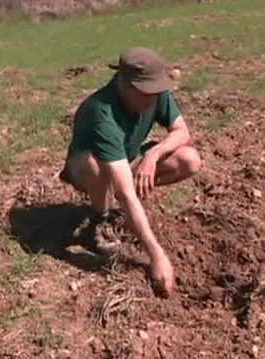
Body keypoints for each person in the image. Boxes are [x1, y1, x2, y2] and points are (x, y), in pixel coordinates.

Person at [59, 47, 201, 298]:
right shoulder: (101, 113)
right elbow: (124, 192)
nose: (152, 101)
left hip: (129, 157)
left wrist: (152, 155)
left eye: (156, 92)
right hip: (87, 167)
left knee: (189, 159)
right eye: (146, 94)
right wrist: (156, 255)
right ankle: (100, 221)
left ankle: (125, 210)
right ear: (125, 85)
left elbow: (182, 132)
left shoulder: (155, 93)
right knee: (97, 171)